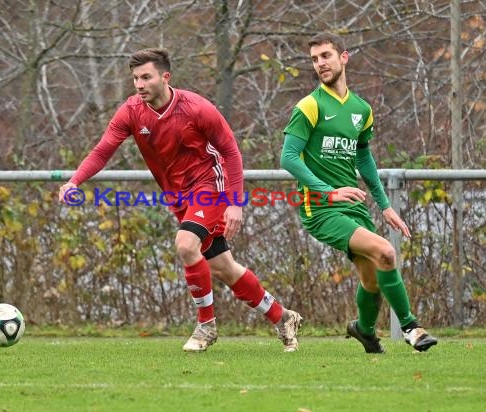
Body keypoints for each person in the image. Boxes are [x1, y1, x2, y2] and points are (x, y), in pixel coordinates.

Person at [59, 48, 302, 352]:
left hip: (209, 187)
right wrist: (74, 180)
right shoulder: (131, 111)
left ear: (165, 77)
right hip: (178, 198)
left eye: (145, 77)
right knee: (224, 267)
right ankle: (283, 317)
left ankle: (206, 327)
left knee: (186, 245)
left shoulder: (197, 108)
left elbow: (230, 152)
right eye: (135, 78)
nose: (139, 84)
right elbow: (102, 150)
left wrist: (234, 203)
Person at [280, 32, 437, 353]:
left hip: (353, 207)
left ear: (344, 57)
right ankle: (411, 327)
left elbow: (363, 157)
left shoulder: (361, 109)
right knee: (386, 252)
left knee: (371, 279)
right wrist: (328, 192)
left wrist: (385, 205)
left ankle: (364, 329)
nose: (320, 63)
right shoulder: (309, 106)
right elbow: (288, 157)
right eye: (314, 59)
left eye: (326, 56)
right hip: (319, 209)